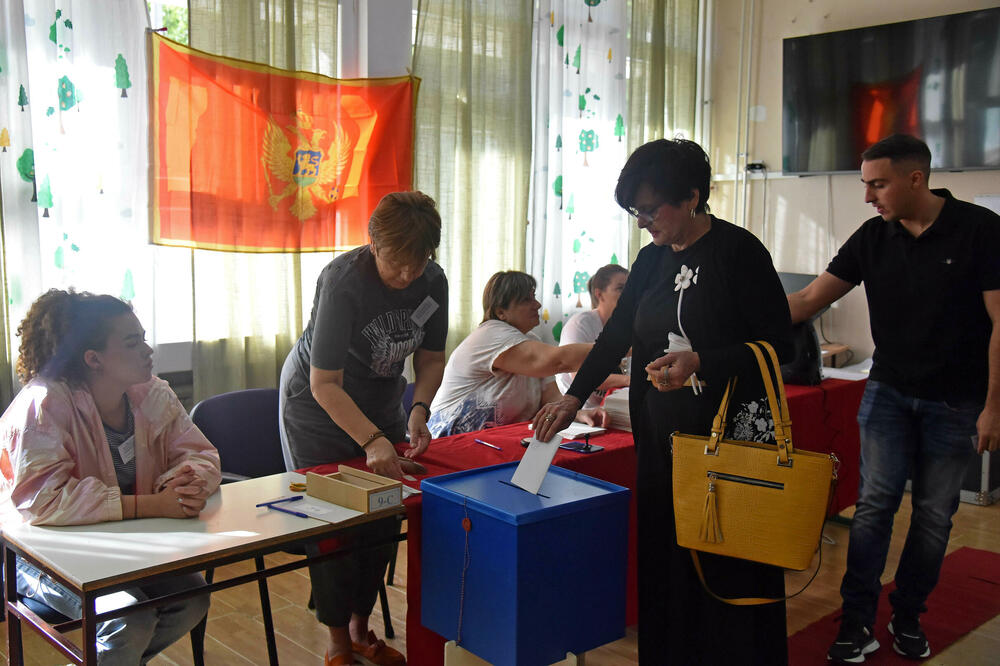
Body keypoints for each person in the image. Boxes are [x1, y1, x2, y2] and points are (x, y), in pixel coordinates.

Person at [532, 138, 793, 664]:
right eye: (636, 212)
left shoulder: (739, 252)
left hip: (730, 440)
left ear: (692, 196)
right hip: (663, 439)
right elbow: (616, 337)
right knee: (667, 559)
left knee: (728, 561)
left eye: (651, 210)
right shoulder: (650, 261)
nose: (643, 223)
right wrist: (573, 397)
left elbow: (778, 344)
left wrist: (703, 361)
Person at [786, 134, 1000, 663]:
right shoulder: (872, 237)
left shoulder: (981, 231)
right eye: (864, 184)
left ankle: (908, 616)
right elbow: (810, 299)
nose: (868, 196)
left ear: (915, 179)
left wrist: (995, 406)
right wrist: (728, 318)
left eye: (877, 184)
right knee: (875, 508)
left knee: (933, 515)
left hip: (957, 403)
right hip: (887, 393)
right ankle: (857, 623)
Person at [0, 289, 220, 665]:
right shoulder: (43, 405)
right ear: (93, 358)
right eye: (133, 342)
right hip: (43, 557)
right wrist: (154, 504)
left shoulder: (153, 394)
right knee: (128, 617)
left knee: (191, 598)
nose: (148, 351)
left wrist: (185, 483)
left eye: (144, 338)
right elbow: (43, 501)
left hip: (125, 546)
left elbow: (199, 453)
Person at [279, 191, 447, 666]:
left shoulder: (432, 281)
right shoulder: (343, 281)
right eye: (398, 262)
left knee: (384, 508)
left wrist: (419, 408)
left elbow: (431, 358)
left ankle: (358, 627)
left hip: (381, 398)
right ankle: (335, 640)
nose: (409, 274)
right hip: (318, 404)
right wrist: (372, 440)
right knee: (333, 517)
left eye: (420, 261)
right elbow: (325, 382)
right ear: (373, 242)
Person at [428, 270, 607, 437]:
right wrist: (620, 346)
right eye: (526, 300)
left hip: (495, 440)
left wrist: (578, 413)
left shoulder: (531, 340)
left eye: (534, 297)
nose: (537, 305)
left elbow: (550, 398)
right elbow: (558, 361)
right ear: (501, 312)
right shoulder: (492, 334)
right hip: (450, 439)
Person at [556, 264, 631, 408]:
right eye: (621, 288)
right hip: (581, 412)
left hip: (618, 407)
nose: (628, 294)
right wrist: (628, 380)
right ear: (599, 294)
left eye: (631, 289)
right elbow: (579, 376)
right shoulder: (580, 324)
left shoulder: (632, 325)